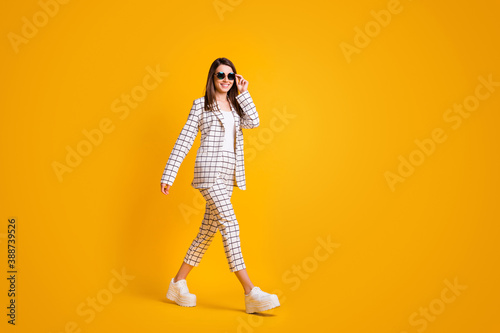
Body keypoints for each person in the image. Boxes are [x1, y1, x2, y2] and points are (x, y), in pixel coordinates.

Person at [160, 57, 280, 313]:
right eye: (220, 75)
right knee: (230, 223)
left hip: (229, 174)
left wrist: (245, 94)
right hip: (208, 170)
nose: (225, 80)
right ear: (212, 79)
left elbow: (254, 122)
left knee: (208, 231)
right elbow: (184, 140)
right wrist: (169, 174)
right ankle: (250, 292)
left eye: (229, 76)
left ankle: (178, 282)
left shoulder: (236, 106)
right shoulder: (200, 105)